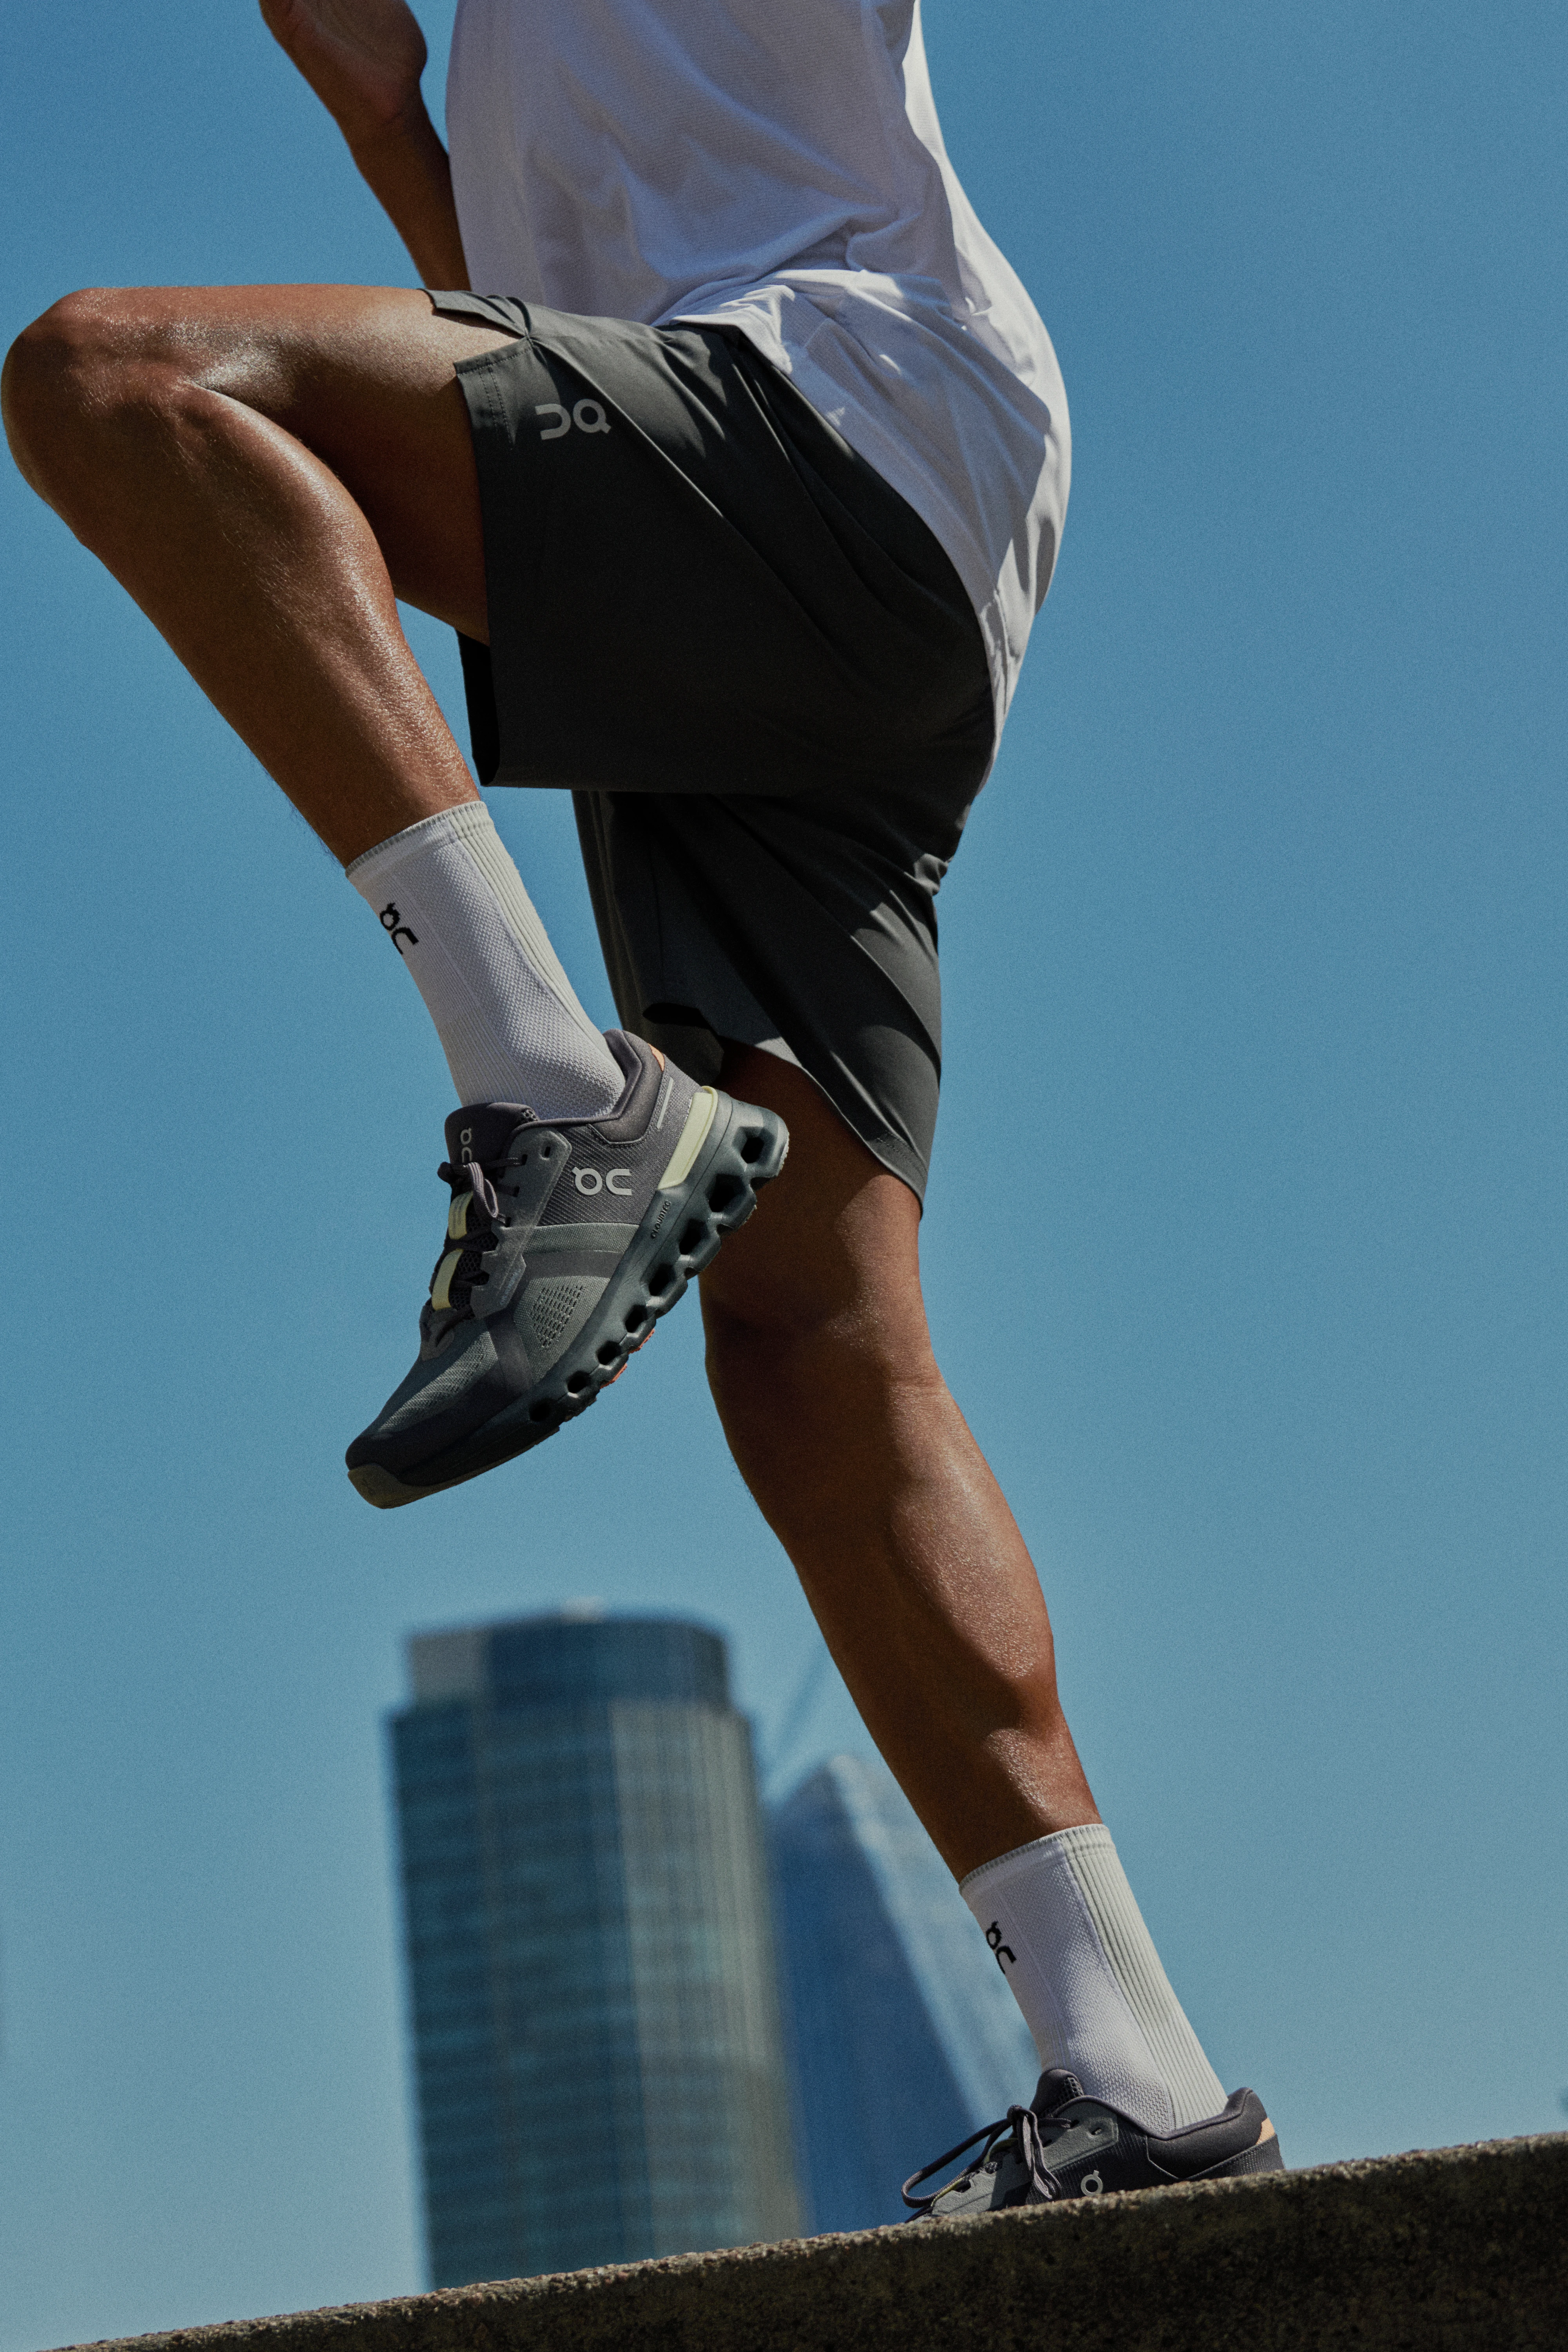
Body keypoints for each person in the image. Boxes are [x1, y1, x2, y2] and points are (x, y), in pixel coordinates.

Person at [2, 0, 1279, 2213]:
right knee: (810, 1334)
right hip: (770, 558)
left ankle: (543, 1085)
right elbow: (506, 310)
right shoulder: (504, 55)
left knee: (115, 377)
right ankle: (1138, 2071)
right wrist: (375, 92)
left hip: (842, 418)